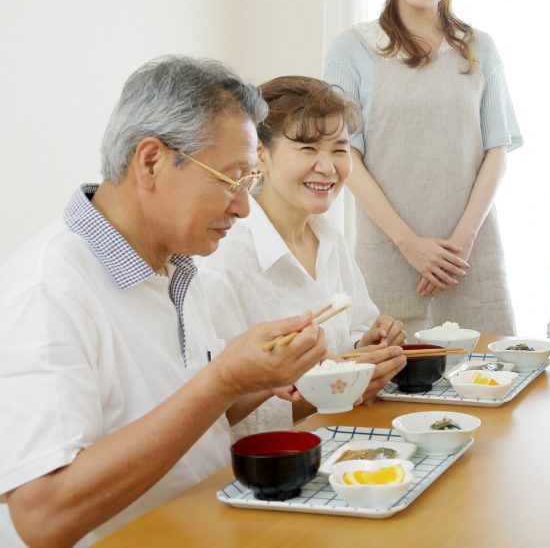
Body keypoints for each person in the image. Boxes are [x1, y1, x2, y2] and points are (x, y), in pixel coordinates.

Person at [0, 56, 329, 546]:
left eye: (249, 183)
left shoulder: (177, 262)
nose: (242, 207)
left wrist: (263, 375)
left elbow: (185, 412)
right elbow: (43, 518)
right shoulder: (48, 289)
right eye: (230, 179)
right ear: (150, 161)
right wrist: (222, 380)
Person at [323, 0, 522, 336]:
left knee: (491, 383)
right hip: (389, 256)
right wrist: (410, 244)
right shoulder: (353, 49)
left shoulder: (480, 48)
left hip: (469, 258)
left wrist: (463, 243)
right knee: (392, 385)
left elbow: (497, 149)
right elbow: (345, 155)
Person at [202, 75, 407, 437]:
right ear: (260, 155)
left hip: (345, 440)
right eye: (308, 149)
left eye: (340, 150)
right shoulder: (223, 259)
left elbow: (355, 329)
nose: (328, 168)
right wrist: (330, 391)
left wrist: (368, 345)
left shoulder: (328, 237)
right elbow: (221, 415)